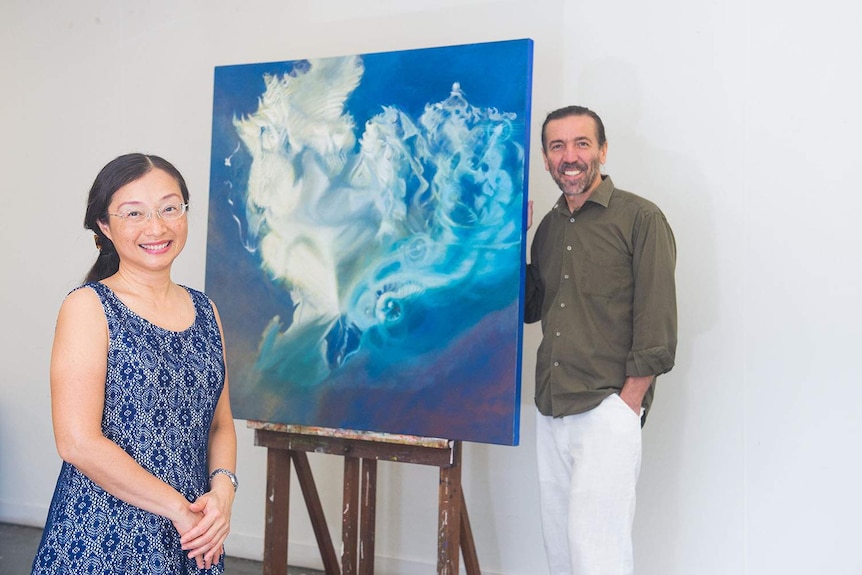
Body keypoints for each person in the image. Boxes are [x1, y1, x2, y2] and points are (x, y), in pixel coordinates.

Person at [31, 153, 238, 574]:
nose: (157, 227)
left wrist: (222, 493)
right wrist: (177, 508)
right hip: (104, 535)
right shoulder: (88, 307)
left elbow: (220, 424)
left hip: (193, 536)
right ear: (105, 227)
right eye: (134, 214)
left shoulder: (205, 309)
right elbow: (77, 442)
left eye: (169, 208)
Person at [525, 106, 677, 575]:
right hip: (551, 411)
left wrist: (626, 404)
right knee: (561, 552)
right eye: (557, 147)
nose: (570, 156)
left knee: (598, 555)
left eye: (581, 144)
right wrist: (509, 239)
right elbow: (531, 309)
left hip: (606, 410)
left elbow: (657, 323)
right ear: (547, 160)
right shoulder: (548, 229)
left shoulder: (641, 219)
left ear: (602, 151)